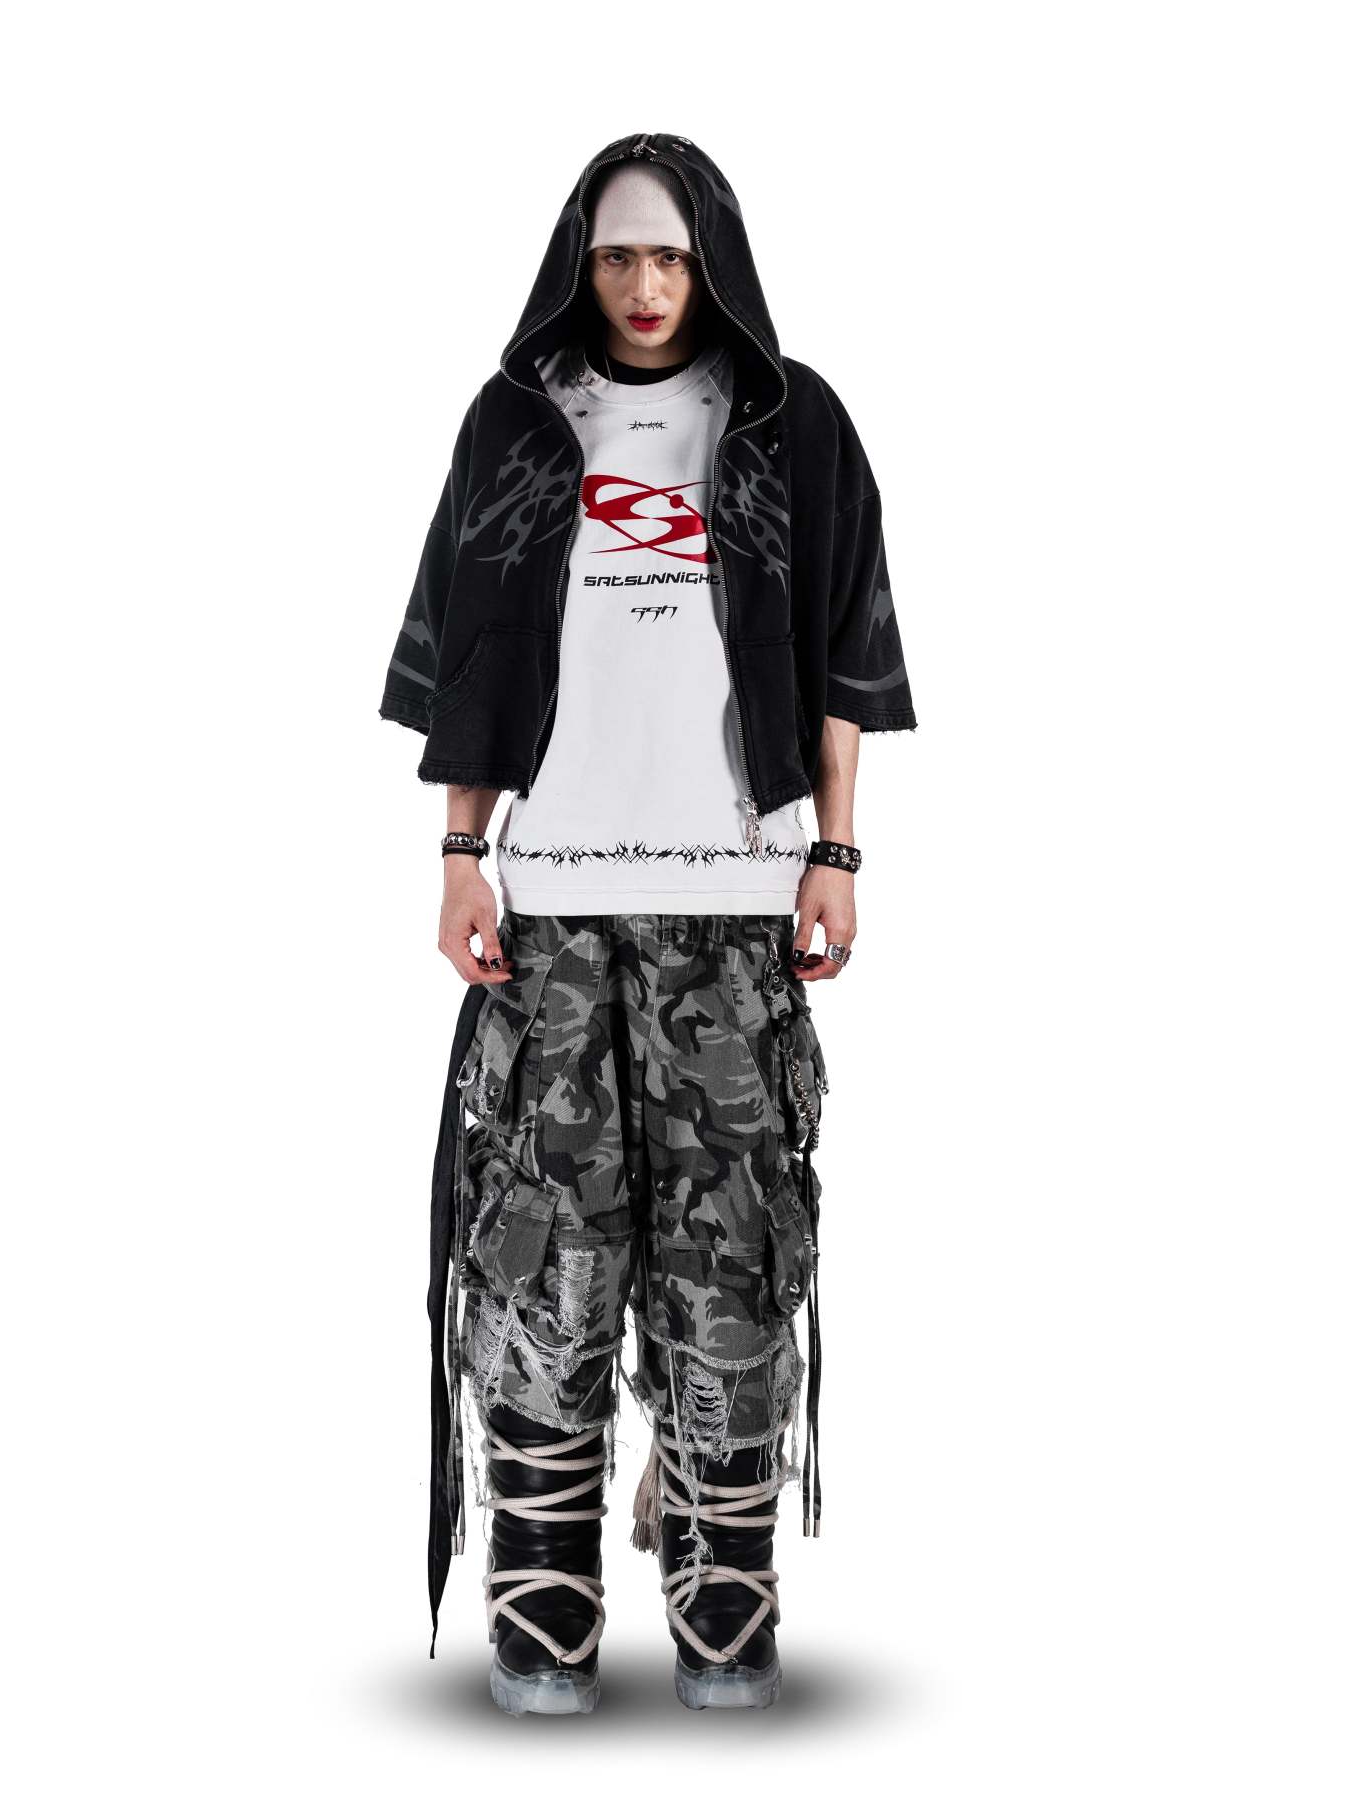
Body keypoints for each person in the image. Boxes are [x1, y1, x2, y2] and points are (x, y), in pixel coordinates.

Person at [380, 133, 916, 1716]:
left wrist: (836, 852)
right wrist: (460, 851)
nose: (639, 284)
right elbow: (471, 655)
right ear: (579, 260)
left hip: (734, 903)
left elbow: (842, 656)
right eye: (615, 254)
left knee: (731, 1253)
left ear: (710, 263)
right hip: (549, 902)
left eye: (667, 256)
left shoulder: (789, 424)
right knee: (542, 1245)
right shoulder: (517, 421)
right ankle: (542, 1596)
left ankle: (722, 1589)